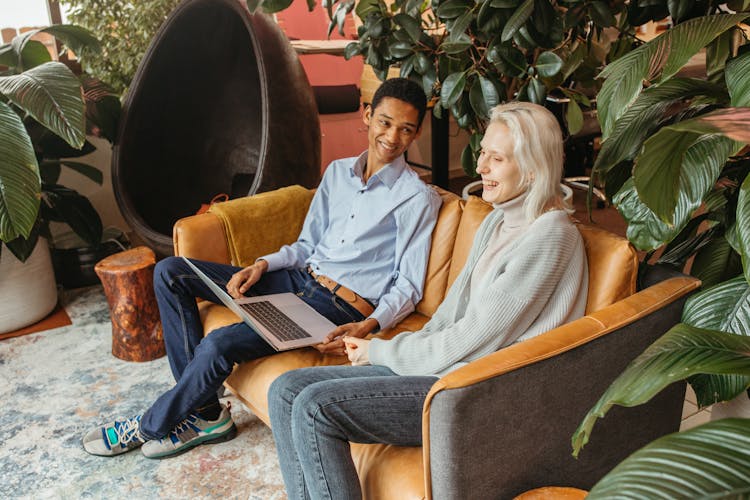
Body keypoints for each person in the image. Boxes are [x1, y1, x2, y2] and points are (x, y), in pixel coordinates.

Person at [82, 77, 442, 459]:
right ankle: (206, 414)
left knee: (221, 343)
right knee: (172, 272)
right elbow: (307, 246)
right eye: (385, 122)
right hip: (296, 279)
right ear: (368, 116)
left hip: (335, 307)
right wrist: (261, 264)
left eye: (406, 129)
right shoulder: (338, 173)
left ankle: (148, 425)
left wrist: (369, 326)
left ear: (416, 131)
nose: (392, 136)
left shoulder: (417, 198)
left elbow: (408, 285)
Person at [267, 101, 590, 499]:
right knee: (285, 389)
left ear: (533, 167)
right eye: (483, 152)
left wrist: (383, 353)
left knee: (316, 406)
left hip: (479, 391)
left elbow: (473, 338)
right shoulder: (497, 221)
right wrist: (392, 348)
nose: (481, 167)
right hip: (446, 372)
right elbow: (450, 316)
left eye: (497, 158)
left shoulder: (551, 236)